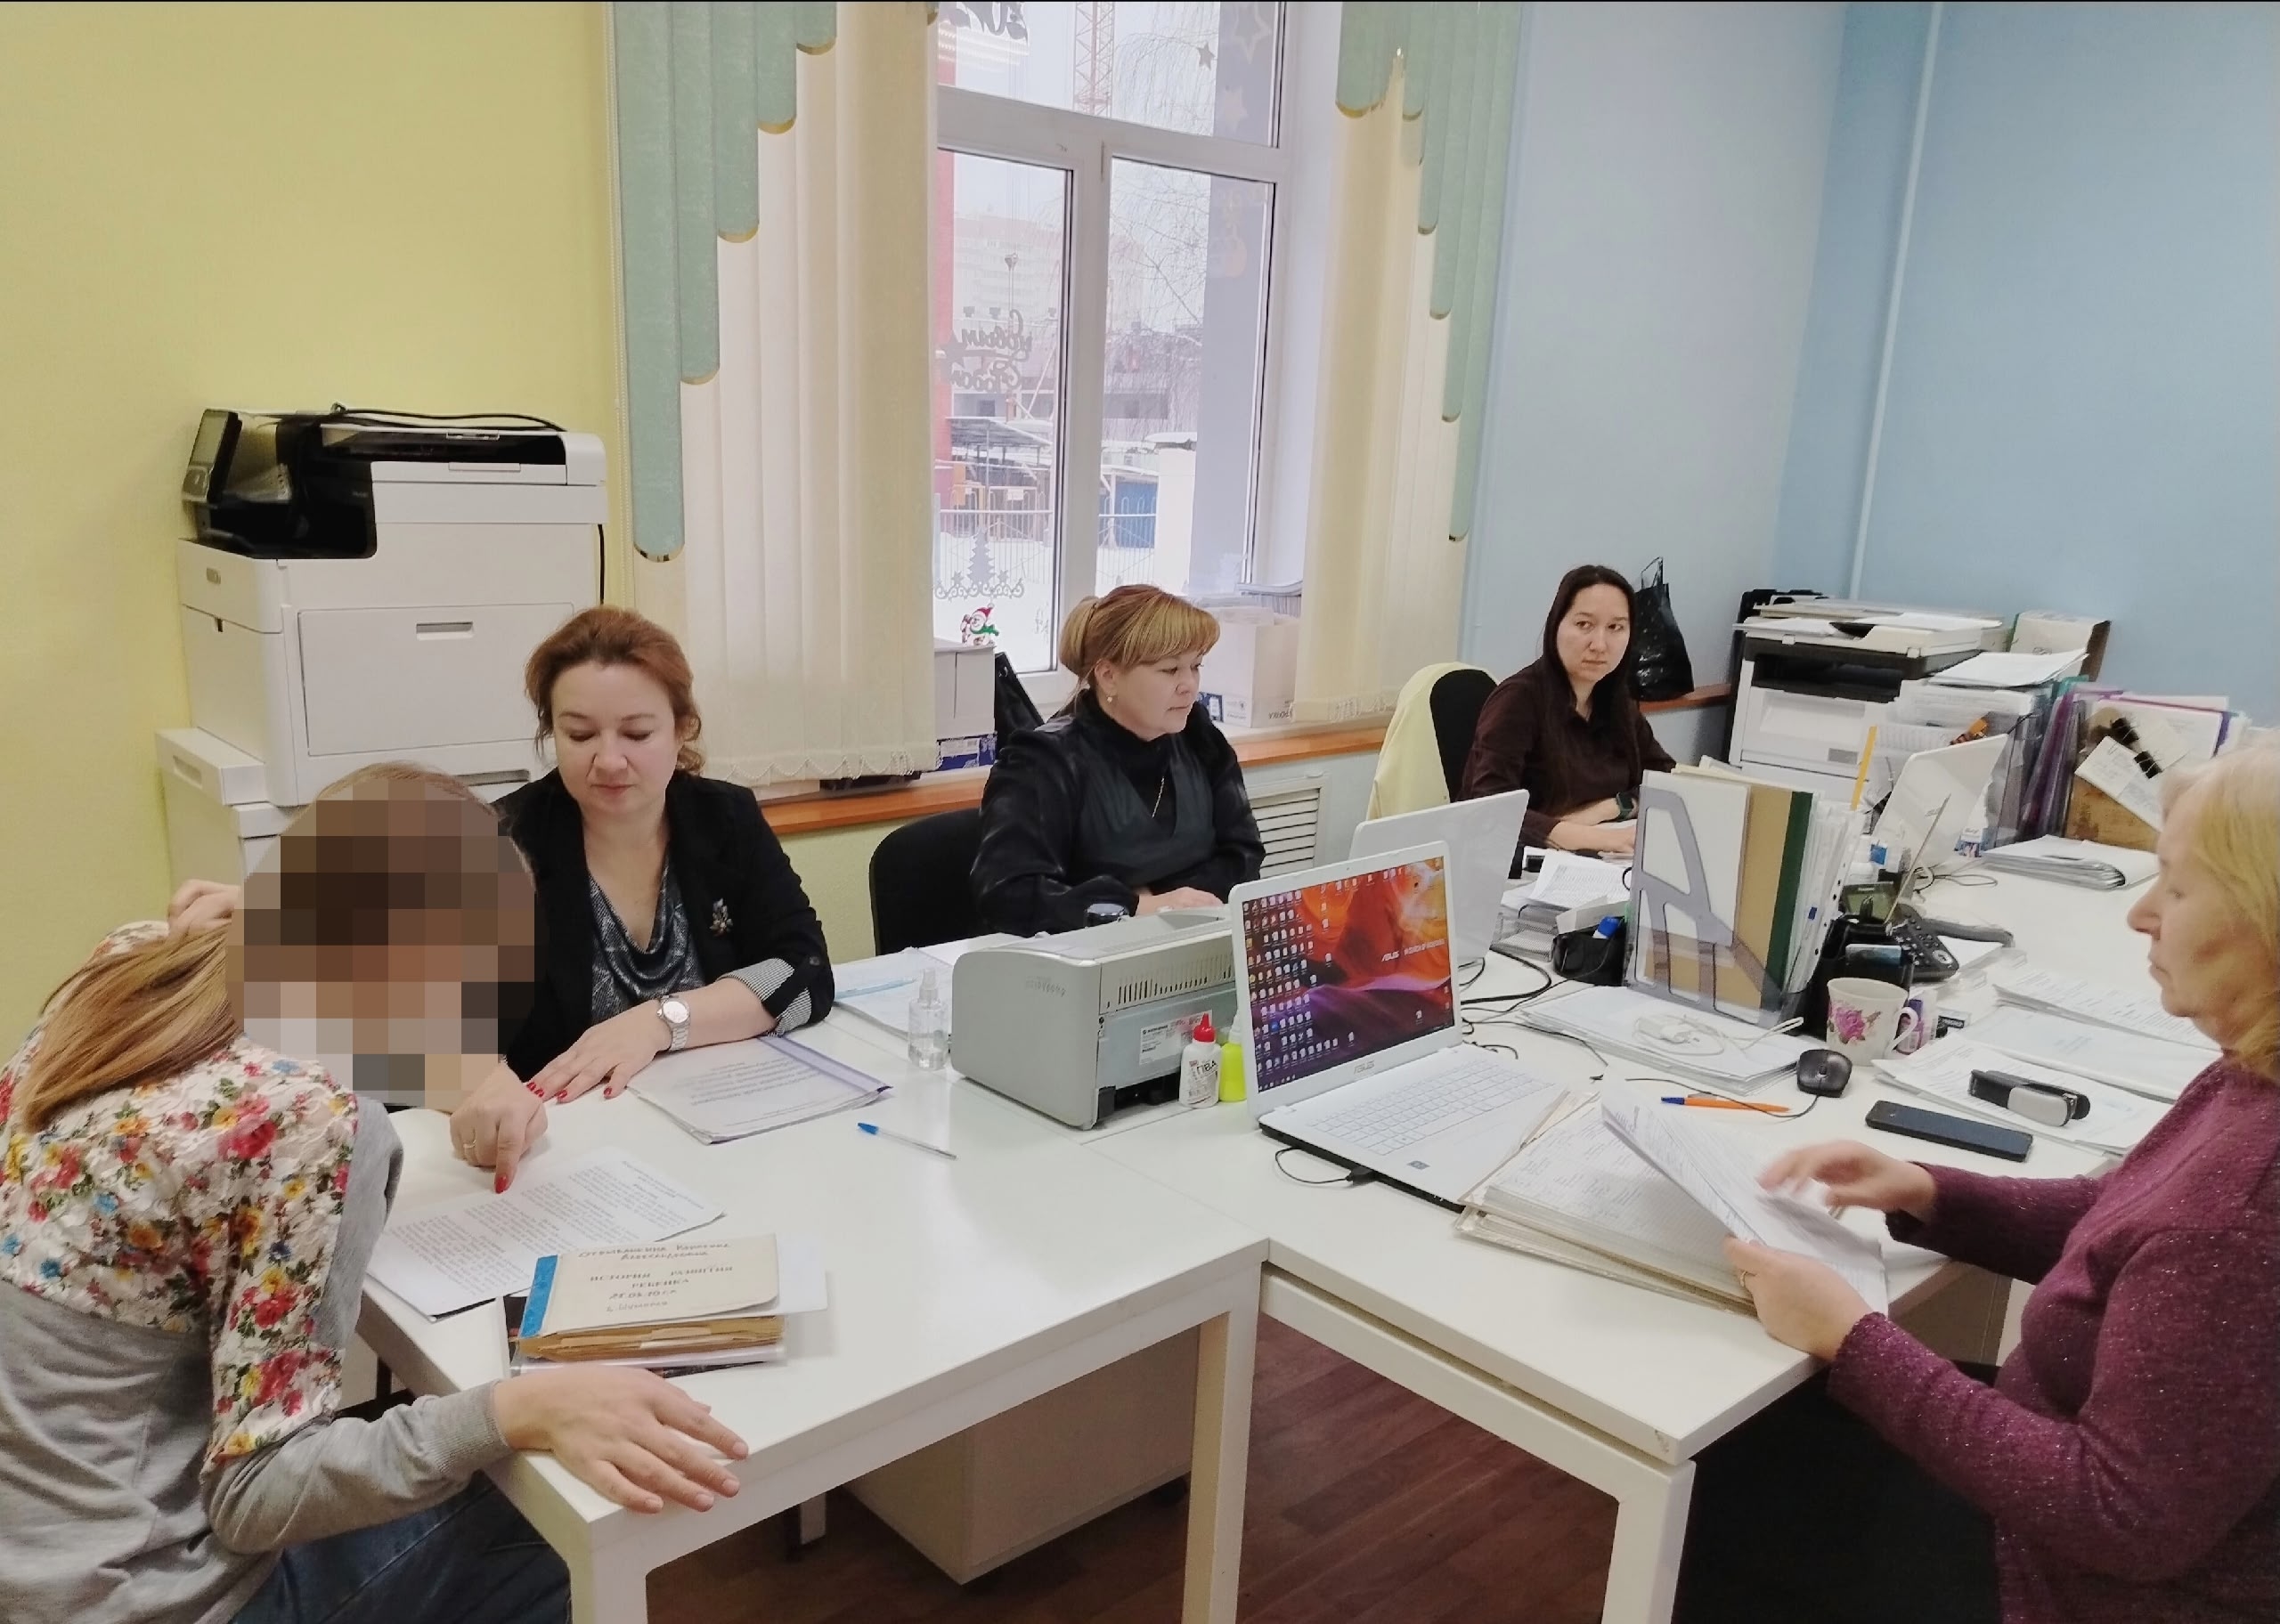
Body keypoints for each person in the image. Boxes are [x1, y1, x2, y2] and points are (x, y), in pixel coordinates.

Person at [0, 766, 747, 1624]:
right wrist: (516, 1410)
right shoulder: (311, 1121)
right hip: (131, 1595)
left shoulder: (132, 963)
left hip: (31, 1539)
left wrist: (467, 1076)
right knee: (553, 1506)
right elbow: (255, 1492)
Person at [1677, 743, 2280, 1624]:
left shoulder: (2246, 1214)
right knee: (1760, 1434)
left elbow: (2120, 1517)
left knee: (1714, 1489)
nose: (2141, 914)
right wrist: (1930, 1192)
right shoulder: (2251, 1076)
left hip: (2061, 1586)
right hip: (2053, 1495)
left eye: (2179, 889)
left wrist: (1852, 1338)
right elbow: (2127, 1219)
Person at [452, 607, 835, 1188]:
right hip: (565, 1156)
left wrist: (661, 1022)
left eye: (636, 734)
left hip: (719, 1136)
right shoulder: (505, 841)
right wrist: (478, 1080)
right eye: (579, 735)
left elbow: (806, 973)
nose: (609, 761)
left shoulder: (725, 819)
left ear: (682, 730)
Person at [972, 585, 1265, 936]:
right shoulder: (1043, 760)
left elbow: (1244, 855)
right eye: (1170, 670)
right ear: (1109, 676)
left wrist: (1159, 899)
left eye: (1195, 666)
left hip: (1186, 940)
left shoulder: (1198, 736)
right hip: (1084, 956)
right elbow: (1008, 894)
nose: (1189, 685)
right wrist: (1134, 906)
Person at [1458, 564, 1676, 862]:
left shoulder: (1616, 700)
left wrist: (1608, 809)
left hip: (1598, 859)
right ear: (1556, 625)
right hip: (1514, 865)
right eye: (1584, 624)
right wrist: (1593, 836)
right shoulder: (1518, 700)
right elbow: (1489, 807)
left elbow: (1665, 778)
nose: (1599, 645)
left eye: (1615, 627)